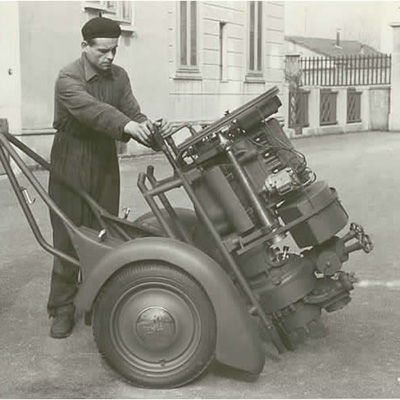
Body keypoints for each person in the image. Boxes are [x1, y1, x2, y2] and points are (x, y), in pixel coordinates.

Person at [47, 16, 172, 339]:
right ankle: (61, 307)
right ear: (84, 47)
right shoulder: (67, 79)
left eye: (114, 50)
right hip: (71, 156)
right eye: (103, 51)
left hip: (104, 157)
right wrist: (129, 127)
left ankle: (97, 298)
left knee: (105, 228)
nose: (110, 57)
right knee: (68, 232)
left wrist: (150, 130)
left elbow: (132, 112)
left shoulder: (119, 77)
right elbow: (93, 111)